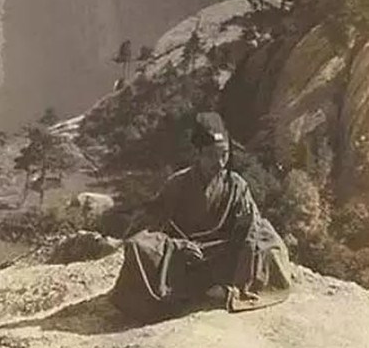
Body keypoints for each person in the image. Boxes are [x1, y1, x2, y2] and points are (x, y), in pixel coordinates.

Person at [111, 112, 291, 321]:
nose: (220, 162)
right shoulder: (177, 184)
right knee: (138, 246)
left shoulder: (236, 185)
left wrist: (246, 228)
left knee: (269, 242)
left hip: (222, 252)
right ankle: (195, 289)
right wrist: (177, 246)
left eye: (224, 154)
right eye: (212, 156)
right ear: (198, 153)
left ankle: (225, 289)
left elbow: (252, 226)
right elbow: (149, 225)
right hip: (184, 256)